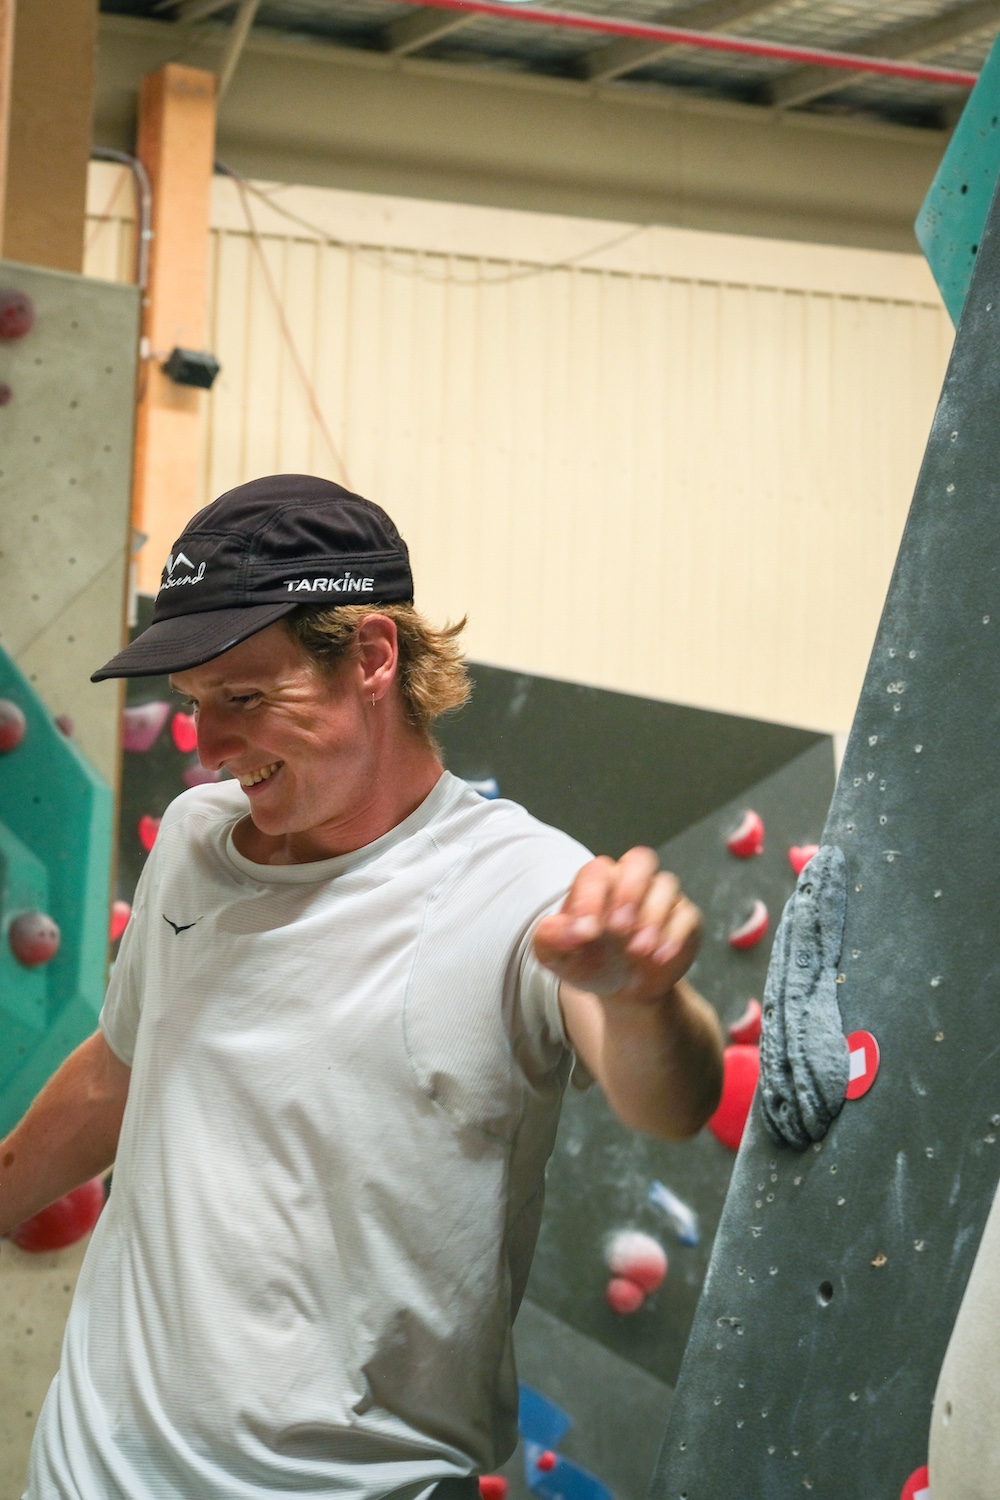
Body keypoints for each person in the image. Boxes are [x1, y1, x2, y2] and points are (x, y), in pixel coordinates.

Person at [1, 475, 723, 1500]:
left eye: (244, 698)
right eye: (196, 705)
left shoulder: (524, 888)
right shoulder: (195, 846)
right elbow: (120, 1072)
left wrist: (645, 998)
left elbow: (672, 1101)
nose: (210, 749)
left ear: (373, 656)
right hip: (80, 1476)